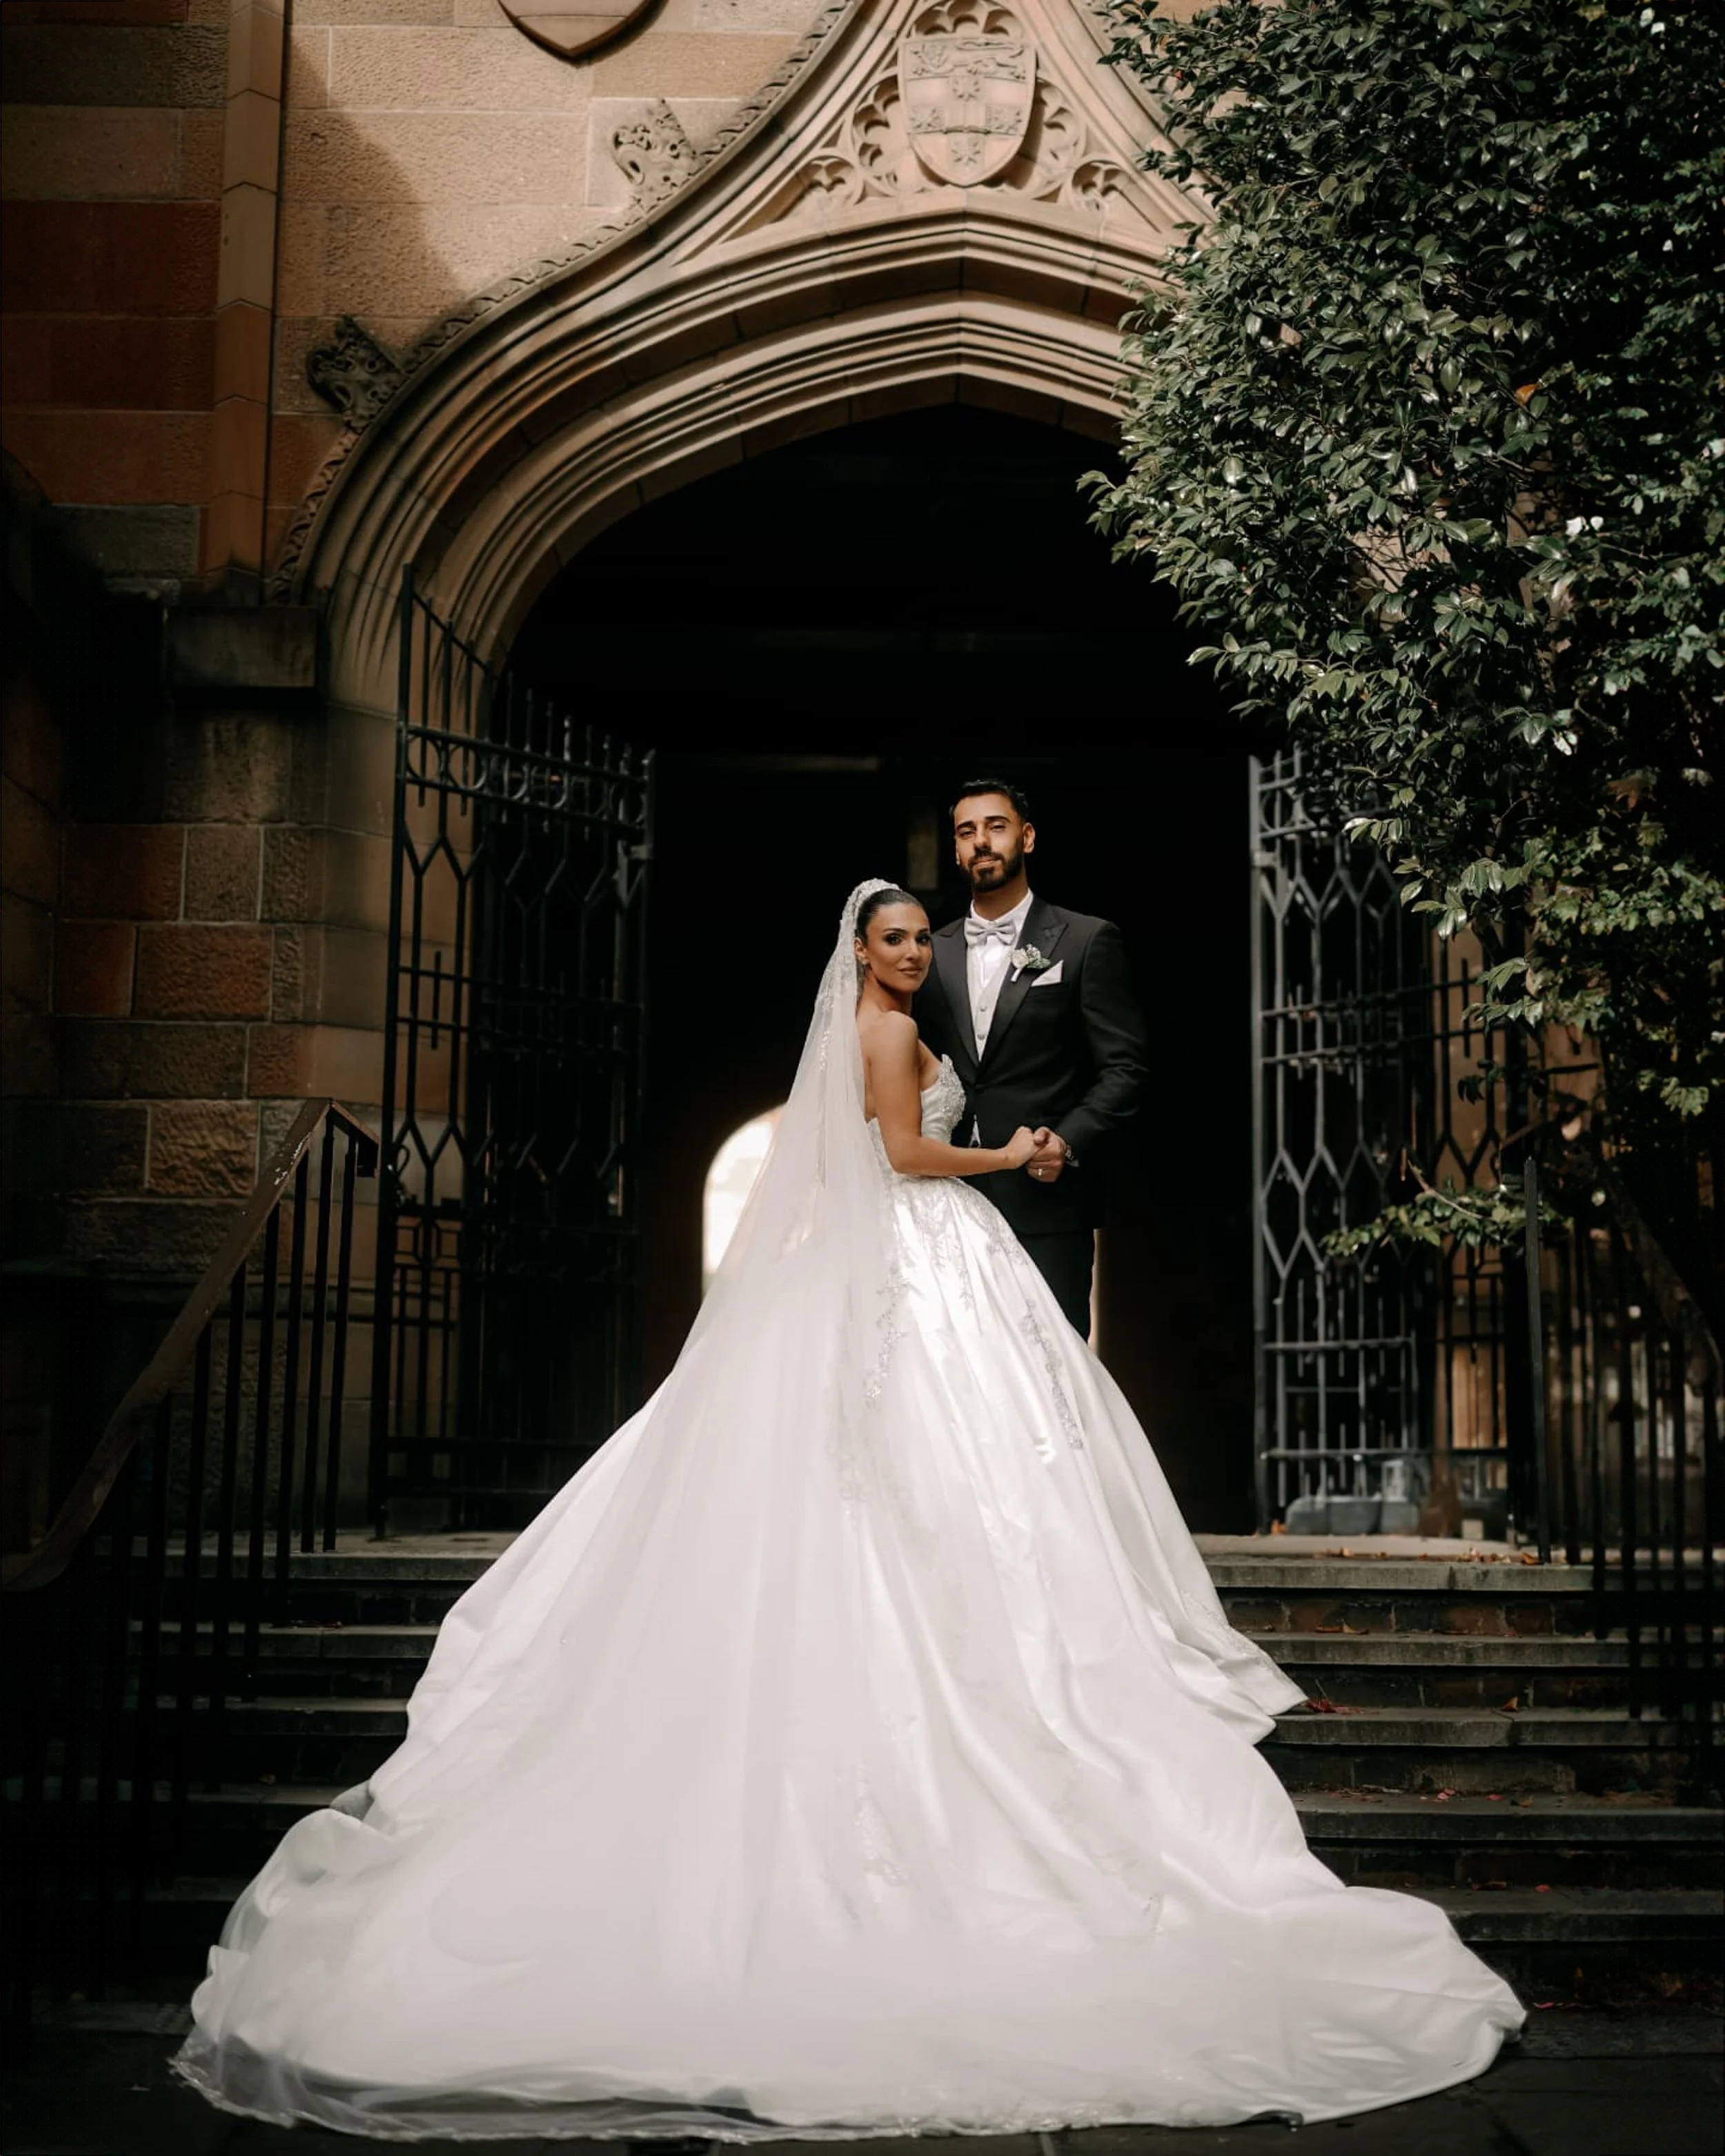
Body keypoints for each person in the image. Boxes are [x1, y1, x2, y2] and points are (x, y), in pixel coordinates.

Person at [175, 880, 1521, 2142]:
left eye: (921, 935)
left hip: (934, 1269)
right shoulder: (884, 1037)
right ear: (858, 954)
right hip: (927, 1254)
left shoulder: (899, 1016)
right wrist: (1011, 1151)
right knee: (927, 1473)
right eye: (892, 936)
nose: (912, 951)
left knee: (976, 1473)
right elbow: (902, 1153)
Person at [915, 780, 1146, 1336]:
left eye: (995, 826)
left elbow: (1125, 1069)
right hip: (948, 1210)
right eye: (967, 832)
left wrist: (1066, 1142)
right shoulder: (928, 951)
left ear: (1028, 836)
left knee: (1048, 1385)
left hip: (1049, 1211)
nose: (981, 842)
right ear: (955, 850)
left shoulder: (1085, 940)